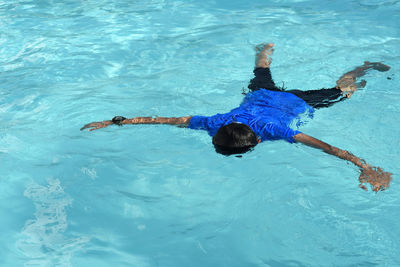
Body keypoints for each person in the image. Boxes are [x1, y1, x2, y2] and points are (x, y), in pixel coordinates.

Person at [81, 43, 392, 192]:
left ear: (256, 140)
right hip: (262, 95)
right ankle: (265, 49)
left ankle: (363, 67)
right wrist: (116, 121)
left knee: (344, 90)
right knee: (262, 72)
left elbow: (328, 148)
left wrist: (365, 168)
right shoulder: (212, 122)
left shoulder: (274, 130)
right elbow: (162, 119)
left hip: (297, 101)